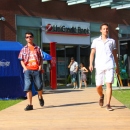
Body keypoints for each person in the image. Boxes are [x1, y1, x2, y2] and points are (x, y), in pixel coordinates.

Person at [89, 23, 119, 111]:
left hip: (109, 65)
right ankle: (101, 95)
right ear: (100, 30)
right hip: (99, 65)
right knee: (98, 86)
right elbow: (92, 53)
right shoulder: (95, 41)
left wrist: (117, 66)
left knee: (109, 84)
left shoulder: (112, 41)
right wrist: (90, 64)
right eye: (104, 29)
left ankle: (108, 104)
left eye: (107, 29)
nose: (105, 30)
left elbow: (114, 54)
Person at [18, 32, 44, 111]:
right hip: (28, 70)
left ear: (33, 38)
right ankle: (30, 105)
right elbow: (21, 60)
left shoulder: (37, 48)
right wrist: (25, 68)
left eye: (30, 36)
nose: (29, 38)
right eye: (27, 37)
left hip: (36, 69)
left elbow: (41, 58)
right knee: (28, 87)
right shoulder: (23, 49)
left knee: (39, 86)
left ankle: (40, 96)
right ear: (25, 39)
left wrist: (40, 66)